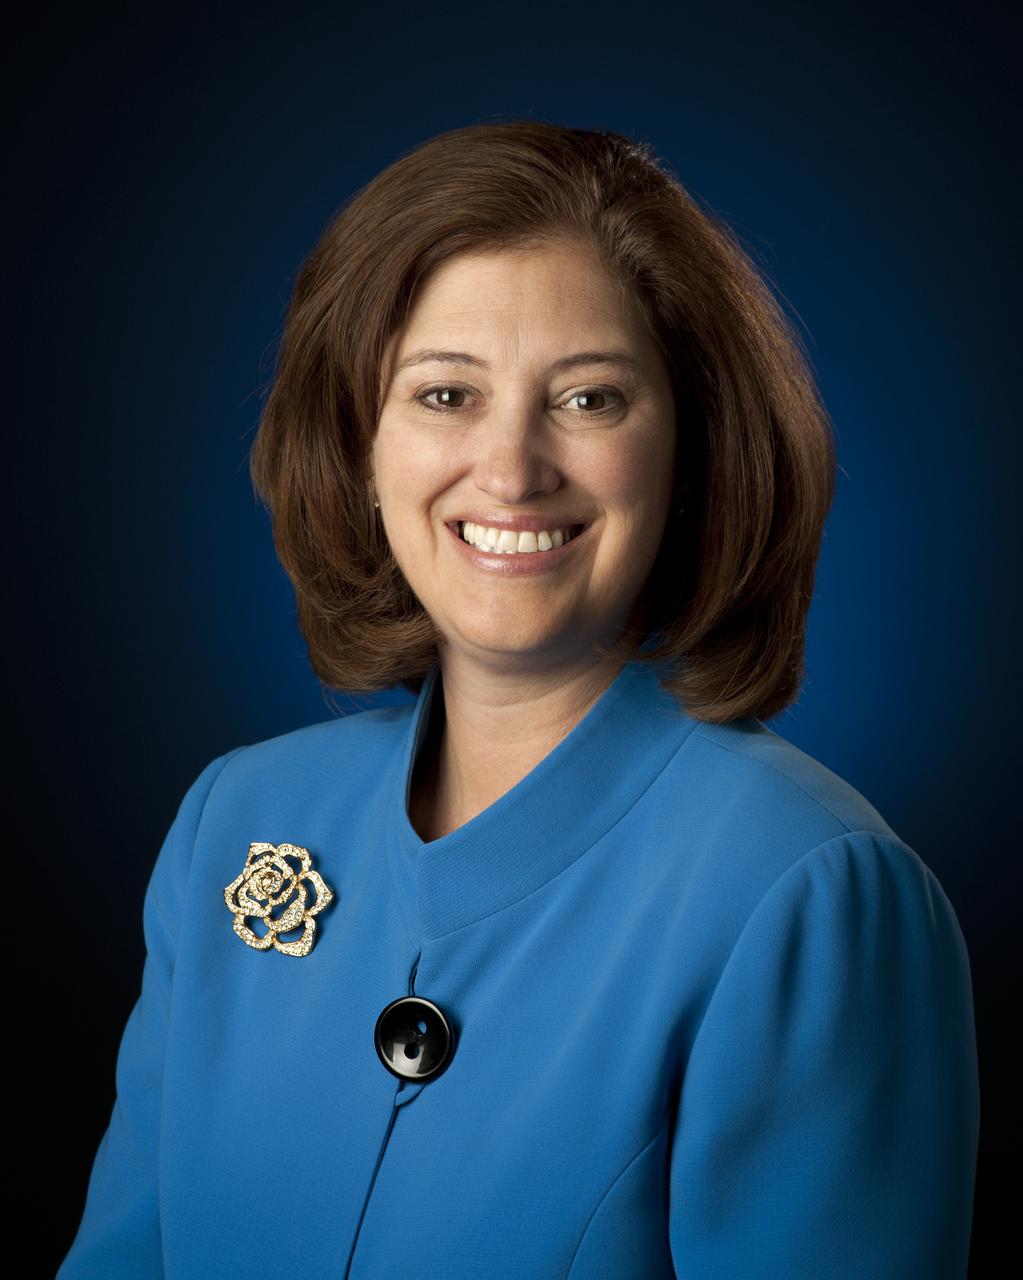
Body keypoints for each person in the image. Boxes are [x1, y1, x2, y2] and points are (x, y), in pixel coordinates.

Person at [58, 120, 979, 1279]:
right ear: (361, 442)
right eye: (445, 394)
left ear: (693, 450)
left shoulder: (810, 890)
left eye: (589, 400)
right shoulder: (234, 821)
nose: (509, 468)